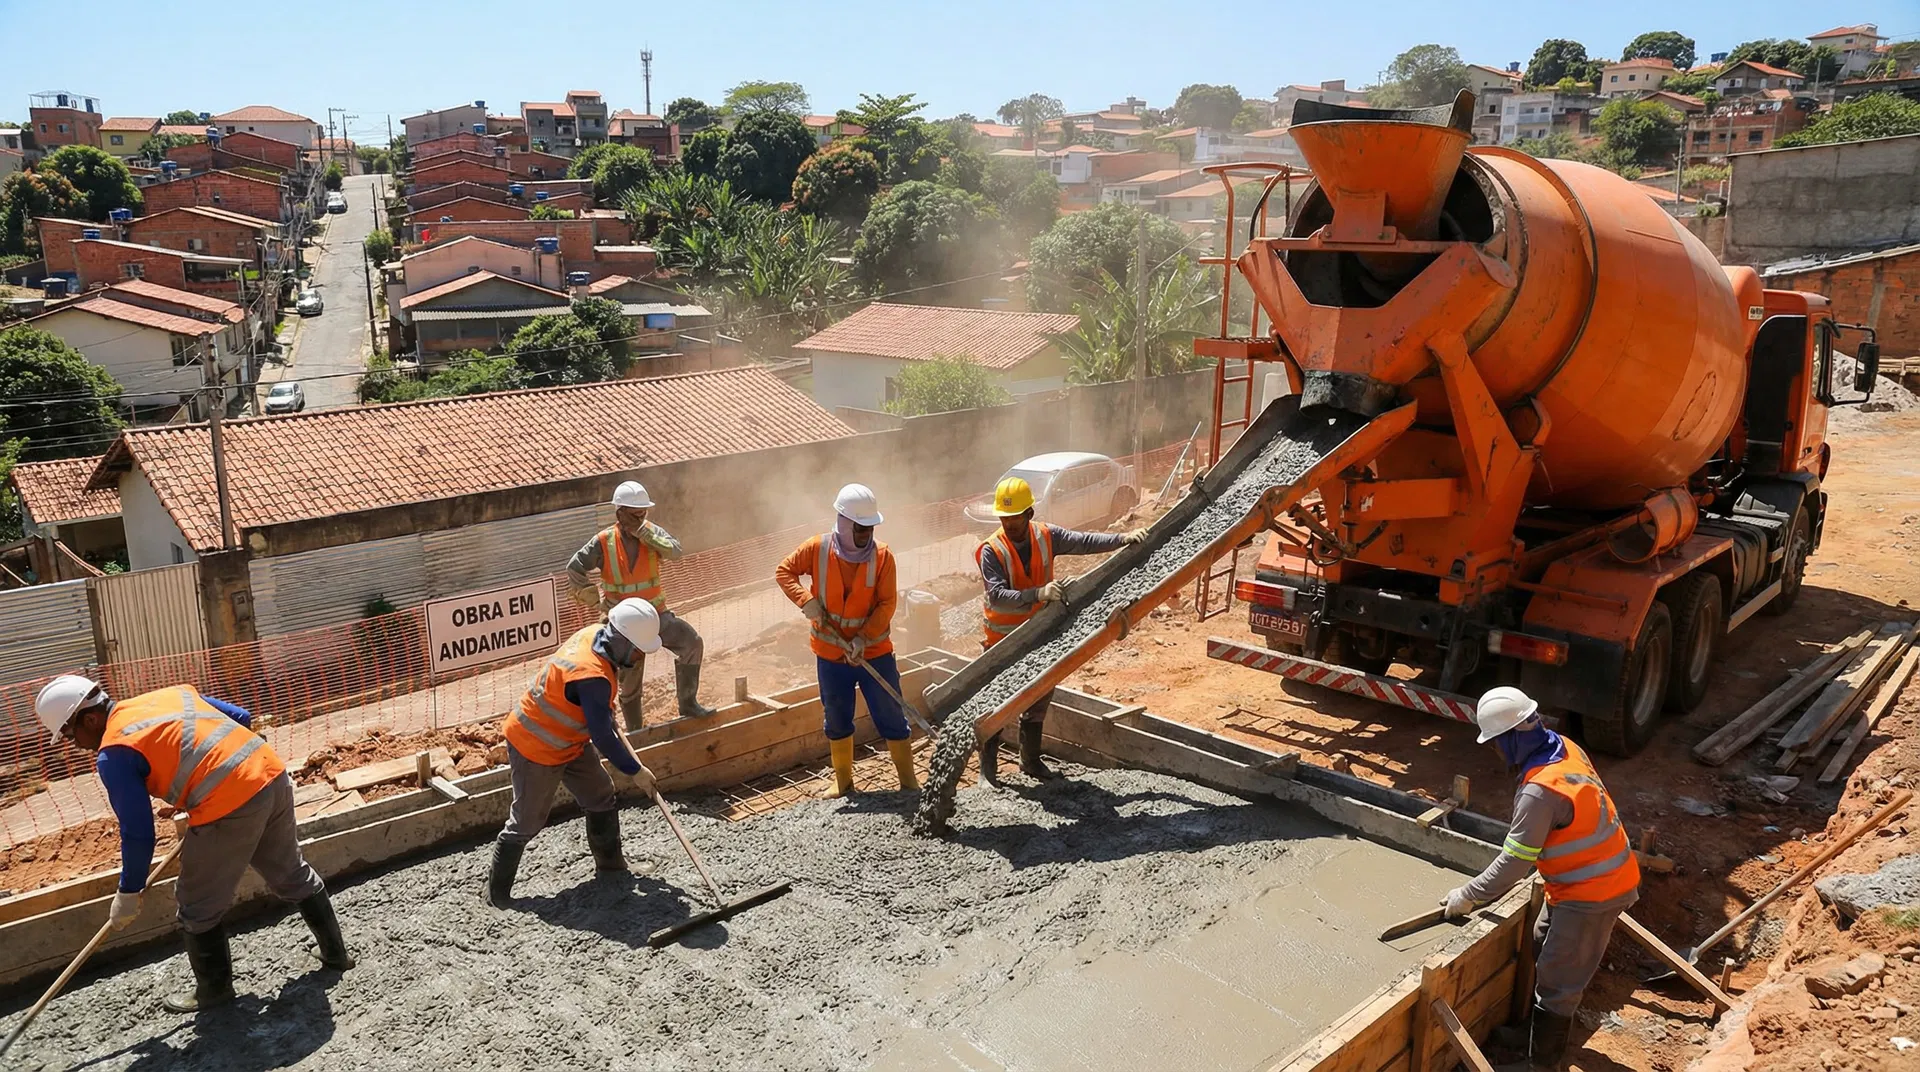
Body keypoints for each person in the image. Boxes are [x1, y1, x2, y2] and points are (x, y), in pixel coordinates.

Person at [33, 675, 353, 1014]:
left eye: (70, 734)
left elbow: (139, 832)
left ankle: (214, 990)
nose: (75, 744)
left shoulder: (114, 753)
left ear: (90, 718)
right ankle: (336, 954)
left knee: (197, 904)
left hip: (229, 804)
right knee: (290, 871)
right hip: (268, 774)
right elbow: (241, 717)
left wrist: (128, 892)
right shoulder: (165, 695)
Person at [1441, 686, 1641, 1068]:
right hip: (1580, 880)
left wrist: (1468, 894)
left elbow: (1515, 863)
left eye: (1497, 744)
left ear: (1513, 737)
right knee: (1541, 939)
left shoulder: (1540, 791)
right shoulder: (1563, 747)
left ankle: (1542, 1065)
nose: (1497, 752)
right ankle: (1537, 1028)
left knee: (1559, 983)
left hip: (1594, 892)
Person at [489, 598, 662, 907]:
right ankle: (496, 895)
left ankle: (611, 867)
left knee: (599, 793)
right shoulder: (590, 675)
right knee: (526, 822)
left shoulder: (596, 634)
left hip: (568, 740)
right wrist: (636, 771)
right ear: (621, 639)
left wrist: (604, 712)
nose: (638, 657)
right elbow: (603, 737)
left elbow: (596, 715)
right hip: (535, 746)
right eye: (636, 649)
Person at [975, 476, 1146, 782]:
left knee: (1039, 697)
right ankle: (988, 771)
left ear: (1029, 514)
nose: (1009, 525)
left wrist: (1123, 538)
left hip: (1040, 638)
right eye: (1004, 518)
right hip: (1003, 644)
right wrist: (1038, 594)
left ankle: (1030, 760)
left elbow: (1084, 541)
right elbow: (997, 597)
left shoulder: (1045, 536)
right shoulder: (992, 550)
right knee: (997, 706)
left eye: (1014, 518)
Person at [775, 483, 916, 798]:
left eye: (870, 528)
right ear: (843, 522)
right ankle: (843, 782)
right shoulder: (817, 549)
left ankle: (908, 782)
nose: (866, 534)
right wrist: (805, 600)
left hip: (875, 653)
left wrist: (864, 639)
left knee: (891, 714)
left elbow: (887, 603)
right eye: (860, 528)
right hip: (831, 654)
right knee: (837, 716)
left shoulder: (883, 557)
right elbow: (784, 571)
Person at [567, 480, 715, 729]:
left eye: (643, 514)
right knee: (630, 677)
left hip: (656, 615)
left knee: (692, 643)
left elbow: (676, 552)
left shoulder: (651, 533)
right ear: (619, 514)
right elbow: (574, 567)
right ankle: (636, 729)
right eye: (634, 515)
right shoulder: (603, 542)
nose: (640, 519)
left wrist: (649, 536)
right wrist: (592, 598)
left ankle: (688, 703)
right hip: (623, 626)